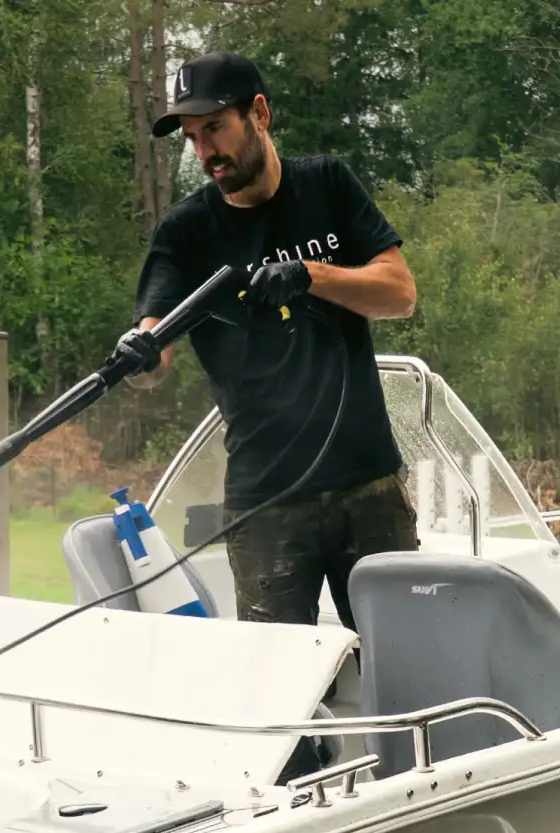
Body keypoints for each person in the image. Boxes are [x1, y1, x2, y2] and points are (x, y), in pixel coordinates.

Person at [114, 50, 419, 631]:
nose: (204, 152)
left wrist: (311, 274)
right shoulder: (186, 233)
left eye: (214, 130)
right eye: (191, 138)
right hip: (265, 504)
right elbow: (154, 343)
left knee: (403, 666)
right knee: (280, 691)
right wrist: (139, 353)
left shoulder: (327, 184)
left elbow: (400, 293)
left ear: (259, 113)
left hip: (371, 484)